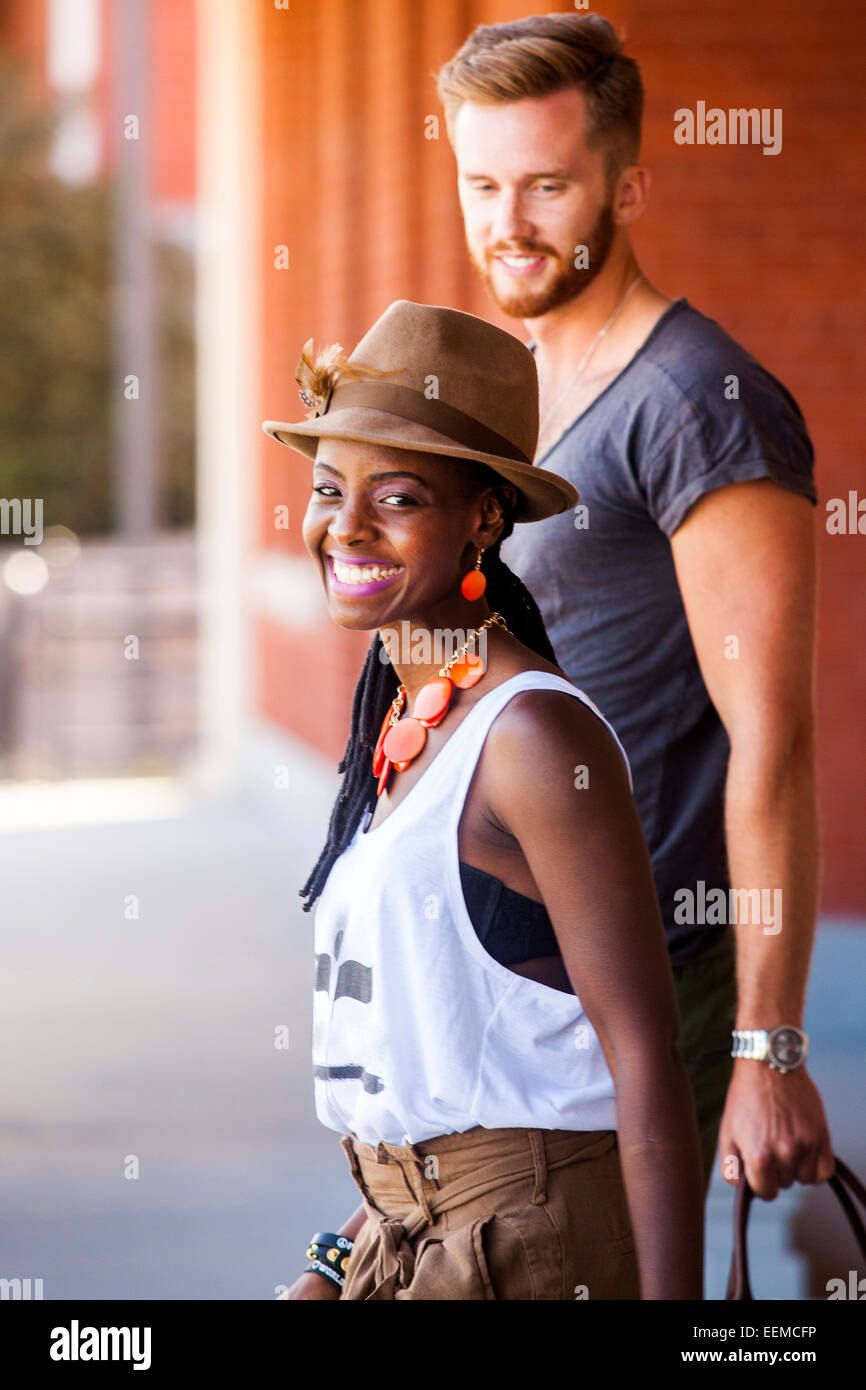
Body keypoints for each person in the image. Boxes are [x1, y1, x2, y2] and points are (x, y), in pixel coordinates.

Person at [436, 10, 834, 1204]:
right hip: (515, 967)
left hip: (646, 979)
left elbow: (771, 738)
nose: (507, 224)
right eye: (482, 183)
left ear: (627, 184)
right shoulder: (521, 378)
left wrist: (767, 1048)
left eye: (547, 185)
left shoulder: (695, 405)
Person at [262, 298, 704, 1300]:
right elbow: (443, 1062)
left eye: (399, 496)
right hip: (403, 1231)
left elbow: (643, 1056)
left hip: (530, 1250)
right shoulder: (405, 719)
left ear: (484, 516)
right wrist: (332, 1266)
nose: (348, 525)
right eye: (331, 487)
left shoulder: (533, 739)